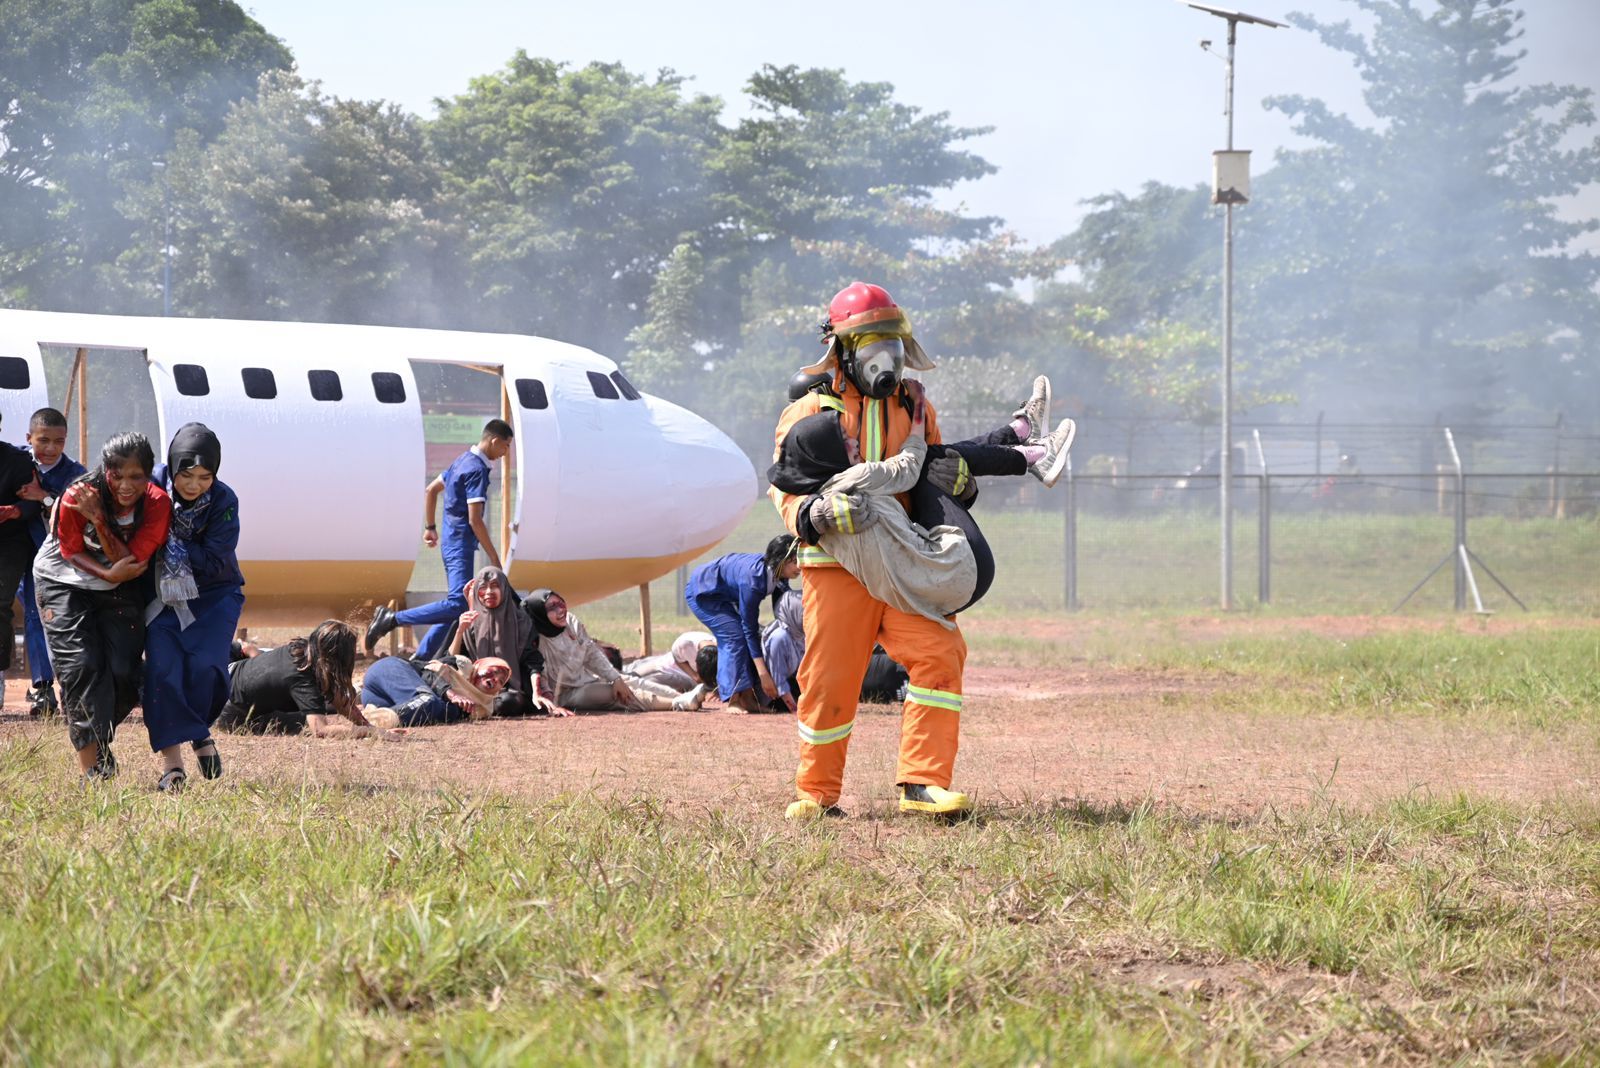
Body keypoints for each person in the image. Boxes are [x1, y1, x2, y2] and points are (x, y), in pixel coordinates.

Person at [771, 281, 995, 819]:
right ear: (842, 348)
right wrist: (814, 515)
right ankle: (817, 796)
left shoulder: (916, 408)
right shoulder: (808, 411)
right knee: (828, 680)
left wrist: (960, 485)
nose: (885, 356)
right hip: (835, 567)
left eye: (892, 342)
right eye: (872, 342)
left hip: (901, 565)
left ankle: (923, 784)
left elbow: (932, 481)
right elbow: (786, 485)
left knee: (940, 652)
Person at [768, 377, 1072, 623]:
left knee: (937, 460)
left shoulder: (826, 502)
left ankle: (1021, 435)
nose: (854, 440)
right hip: (958, 569)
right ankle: (1034, 454)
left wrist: (964, 487)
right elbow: (913, 464)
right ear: (827, 456)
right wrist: (917, 408)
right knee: (929, 459)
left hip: (930, 586)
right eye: (844, 440)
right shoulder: (854, 479)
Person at [33, 432, 173, 780]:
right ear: (104, 470)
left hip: (119, 579)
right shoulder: (76, 496)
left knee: (125, 673)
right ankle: (91, 771)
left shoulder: (157, 503)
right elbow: (70, 551)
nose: (126, 486)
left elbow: (131, 562)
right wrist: (107, 570)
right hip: (63, 579)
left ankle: (99, 745)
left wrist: (99, 521)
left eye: (136, 476)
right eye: (117, 475)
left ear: (148, 475)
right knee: (80, 667)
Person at [139, 424, 245, 792]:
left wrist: (169, 541)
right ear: (172, 466)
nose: (194, 485)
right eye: (186, 474)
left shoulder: (224, 500)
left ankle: (199, 731)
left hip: (215, 594)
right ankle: (173, 767)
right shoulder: (150, 487)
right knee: (162, 670)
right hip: (160, 596)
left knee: (206, 669)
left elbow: (216, 559)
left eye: (205, 477)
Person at [365, 419, 513, 658]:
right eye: (506, 446)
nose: (506, 453)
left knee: (456, 607)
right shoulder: (476, 469)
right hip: (460, 544)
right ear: (495, 441)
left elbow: (431, 490)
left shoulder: (462, 460)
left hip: (451, 542)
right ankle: (392, 619)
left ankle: (420, 659)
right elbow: (475, 521)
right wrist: (494, 557)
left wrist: (431, 527)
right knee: (459, 605)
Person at [523, 589, 706, 713]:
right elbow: (539, 673)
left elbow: (592, 653)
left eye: (560, 602)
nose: (560, 609)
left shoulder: (571, 622)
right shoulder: (537, 640)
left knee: (627, 681)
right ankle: (676, 704)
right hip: (566, 694)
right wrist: (550, 703)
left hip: (587, 677)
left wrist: (615, 677)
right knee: (614, 694)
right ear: (539, 613)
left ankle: (682, 697)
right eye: (551, 607)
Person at [17, 408, 86, 717]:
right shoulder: (16, 463)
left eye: (58, 442)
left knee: (53, 618)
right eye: (42, 441)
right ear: (28, 438)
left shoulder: (74, 473)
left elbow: (78, 510)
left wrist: (43, 497)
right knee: (32, 615)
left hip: (59, 561)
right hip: (18, 554)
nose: (49, 449)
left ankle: (68, 685)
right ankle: (42, 688)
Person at [684, 535, 800, 712]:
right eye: (794, 561)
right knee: (734, 636)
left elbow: (783, 615)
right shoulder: (754, 581)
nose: (799, 566)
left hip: (725, 594)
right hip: (703, 593)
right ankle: (733, 700)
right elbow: (749, 627)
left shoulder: (779, 575)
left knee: (746, 634)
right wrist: (763, 674)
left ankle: (748, 699)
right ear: (780, 561)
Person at [215, 620, 387, 738]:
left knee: (317, 705)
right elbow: (320, 731)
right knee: (303, 721)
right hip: (231, 714)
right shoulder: (303, 679)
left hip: (223, 683)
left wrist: (368, 726)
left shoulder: (302, 648)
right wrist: (366, 732)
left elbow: (335, 693)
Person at [763, 587, 908, 712]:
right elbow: (779, 682)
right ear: (792, 612)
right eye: (802, 613)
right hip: (774, 695)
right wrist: (796, 709)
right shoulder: (779, 638)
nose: (807, 617)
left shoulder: (798, 635)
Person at [442, 565, 545, 713]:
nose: (488, 592)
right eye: (483, 587)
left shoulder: (522, 622)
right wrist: (460, 631)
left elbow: (532, 661)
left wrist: (538, 692)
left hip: (512, 691)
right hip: (474, 688)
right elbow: (450, 660)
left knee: (507, 702)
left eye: (495, 586)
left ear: (504, 589)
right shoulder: (468, 621)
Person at [360, 654, 514, 726]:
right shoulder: (461, 666)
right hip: (391, 670)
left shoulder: (477, 708)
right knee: (428, 699)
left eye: (501, 681)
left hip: (381, 700)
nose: (494, 678)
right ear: (479, 665)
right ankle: (368, 725)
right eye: (493, 671)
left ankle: (369, 721)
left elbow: (432, 712)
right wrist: (450, 692)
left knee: (433, 706)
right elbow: (428, 671)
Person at [621, 629, 715, 707]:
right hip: (662, 662)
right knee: (628, 673)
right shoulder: (685, 643)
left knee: (638, 684)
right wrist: (695, 676)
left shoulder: (720, 653)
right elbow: (677, 657)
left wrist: (712, 688)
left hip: (679, 676)